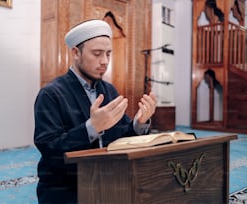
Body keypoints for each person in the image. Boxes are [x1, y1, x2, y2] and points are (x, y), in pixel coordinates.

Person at [34, 19, 157, 204]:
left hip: (108, 182)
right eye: (97, 54)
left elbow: (121, 139)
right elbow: (50, 150)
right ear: (76, 53)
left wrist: (139, 123)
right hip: (66, 188)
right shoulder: (51, 94)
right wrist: (91, 128)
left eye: (108, 54)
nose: (105, 61)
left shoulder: (108, 90)